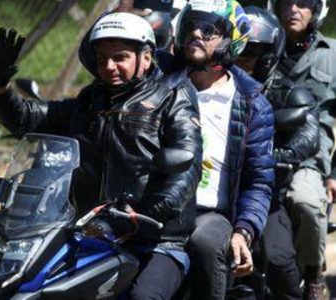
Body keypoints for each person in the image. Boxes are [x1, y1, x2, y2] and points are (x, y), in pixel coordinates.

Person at [0, 12, 202, 299]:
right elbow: (29, 119)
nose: (109, 66)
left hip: (152, 239)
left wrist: (148, 211)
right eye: (102, 58)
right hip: (88, 234)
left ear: (146, 58)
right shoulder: (90, 100)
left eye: (120, 57)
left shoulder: (173, 98)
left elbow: (187, 166)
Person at [143, 1, 275, 299]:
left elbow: (259, 181)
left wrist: (244, 230)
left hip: (210, 213)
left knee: (206, 243)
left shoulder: (252, 102)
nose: (196, 34)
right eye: (190, 26)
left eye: (209, 29)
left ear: (232, 38)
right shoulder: (158, 78)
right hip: (153, 201)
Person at [236, 6, 320, 299]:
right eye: (240, 50)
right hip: (218, 194)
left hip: (268, 194)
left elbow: (310, 132)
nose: (244, 59)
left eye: (253, 52)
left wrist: (280, 155)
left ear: (269, 54)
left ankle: (310, 281)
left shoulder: (285, 90)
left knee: (279, 259)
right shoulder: (211, 86)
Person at [268, 0, 336, 298]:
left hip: (312, 156)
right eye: (286, 2)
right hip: (263, 147)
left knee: (306, 202)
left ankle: (313, 275)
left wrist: (334, 173)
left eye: (303, 3)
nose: (293, 9)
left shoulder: (332, 54)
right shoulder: (262, 47)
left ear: (316, 10)